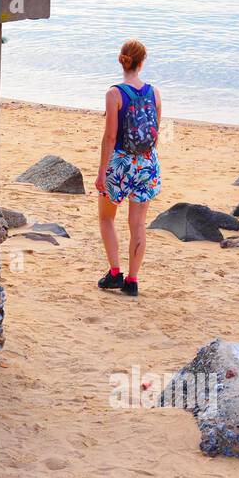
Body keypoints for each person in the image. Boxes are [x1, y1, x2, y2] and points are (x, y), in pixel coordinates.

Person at [95, 40, 161, 297]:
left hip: (120, 164)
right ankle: (132, 281)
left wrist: (102, 171)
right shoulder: (154, 92)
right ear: (142, 62)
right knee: (138, 224)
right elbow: (155, 133)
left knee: (106, 218)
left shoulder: (114, 94)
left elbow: (110, 137)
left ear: (121, 60)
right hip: (146, 163)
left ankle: (114, 273)